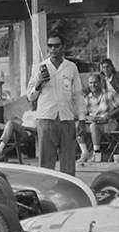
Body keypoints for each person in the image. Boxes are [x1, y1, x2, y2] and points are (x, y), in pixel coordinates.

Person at [27, 33, 86, 176]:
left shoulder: (71, 67)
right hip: (46, 119)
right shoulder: (40, 67)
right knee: (46, 162)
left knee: (68, 161)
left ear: (63, 47)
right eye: (50, 46)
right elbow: (30, 96)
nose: (53, 49)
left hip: (67, 118)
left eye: (56, 45)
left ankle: (68, 192)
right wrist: (39, 83)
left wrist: (82, 119)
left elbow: (78, 94)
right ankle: (46, 193)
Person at [77, 74, 119, 162]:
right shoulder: (87, 98)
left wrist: (109, 115)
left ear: (100, 83)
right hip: (94, 122)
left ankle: (96, 154)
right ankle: (85, 152)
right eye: (91, 83)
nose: (93, 85)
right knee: (77, 125)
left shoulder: (110, 94)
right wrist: (89, 118)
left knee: (94, 126)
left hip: (109, 123)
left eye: (95, 83)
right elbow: (82, 114)